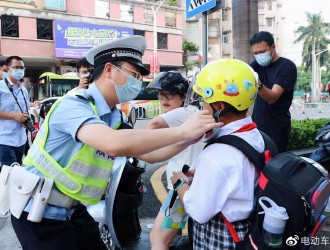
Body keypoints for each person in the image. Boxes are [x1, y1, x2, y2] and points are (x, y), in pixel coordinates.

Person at [10, 35, 220, 250]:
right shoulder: (73, 105)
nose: (137, 81)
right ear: (109, 69)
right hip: (39, 214)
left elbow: (148, 154)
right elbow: (113, 143)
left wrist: (189, 138)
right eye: (133, 74)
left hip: (73, 211)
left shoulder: (113, 116)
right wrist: (183, 131)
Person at [171, 59, 263, 249]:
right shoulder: (254, 135)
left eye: (204, 102)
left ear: (219, 106)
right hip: (246, 229)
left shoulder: (217, 153)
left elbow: (198, 211)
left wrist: (180, 183)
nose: (201, 107)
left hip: (222, 237)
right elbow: (236, 179)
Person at [144, 71, 204, 249]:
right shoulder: (194, 113)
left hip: (181, 189)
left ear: (184, 96)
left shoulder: (185, 111)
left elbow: (153, 125)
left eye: (169, 94)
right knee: (172, 234)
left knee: (158, 239)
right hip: (186, 186)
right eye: (161, 95)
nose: (164, 100)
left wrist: (136, 142)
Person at [249, 31, 297, 153]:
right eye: (256, 53)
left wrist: (256, 82)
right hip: (257, 127)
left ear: (273, 47)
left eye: (262, 51)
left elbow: (272, 97)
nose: (259, 55)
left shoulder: (287, 67)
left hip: (277, 130)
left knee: (273, 168)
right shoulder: (256, 66)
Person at [0, 56, 29, 166]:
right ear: (8, 69)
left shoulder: (24, 90)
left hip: (21, 140)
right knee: (9, 174)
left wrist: (25, 118)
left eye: (22, 67)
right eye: (16, 67)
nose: (20, 70)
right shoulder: (1, 87)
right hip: (4, 140)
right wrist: (13, 116)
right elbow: (15, 114)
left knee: (17, 174)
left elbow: (24, 110)